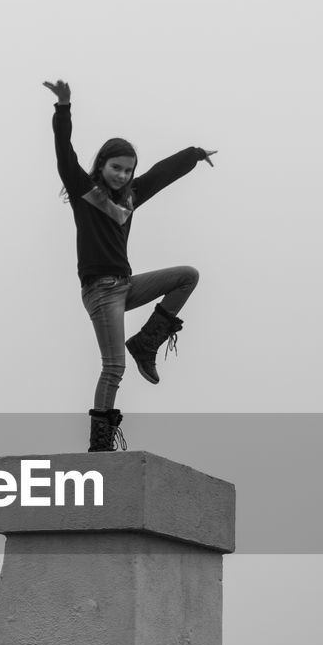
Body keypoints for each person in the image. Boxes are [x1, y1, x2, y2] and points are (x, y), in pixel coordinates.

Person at [43, 79, 216, 451]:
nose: (122, 175)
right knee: (112, 367)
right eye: (116, 168)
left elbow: (160, 174)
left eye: (127, 170)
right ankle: (100, 444)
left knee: (187, 276)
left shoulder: (131, 199)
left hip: (125, 285)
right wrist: (64, 107)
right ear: (102, 165)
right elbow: (64, 154)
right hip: (100, 292)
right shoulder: (83, 191)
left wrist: (194, 154)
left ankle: (146, 343)